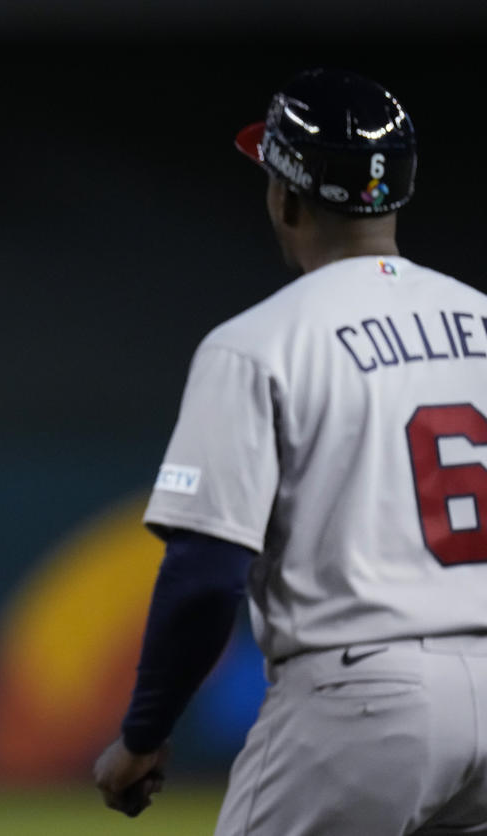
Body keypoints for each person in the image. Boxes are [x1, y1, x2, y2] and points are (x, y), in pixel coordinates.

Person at [93, 68, 487, 834]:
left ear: (285, 194)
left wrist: (142, 736)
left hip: (363, 702)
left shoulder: (259, 344)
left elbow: (207, 577)